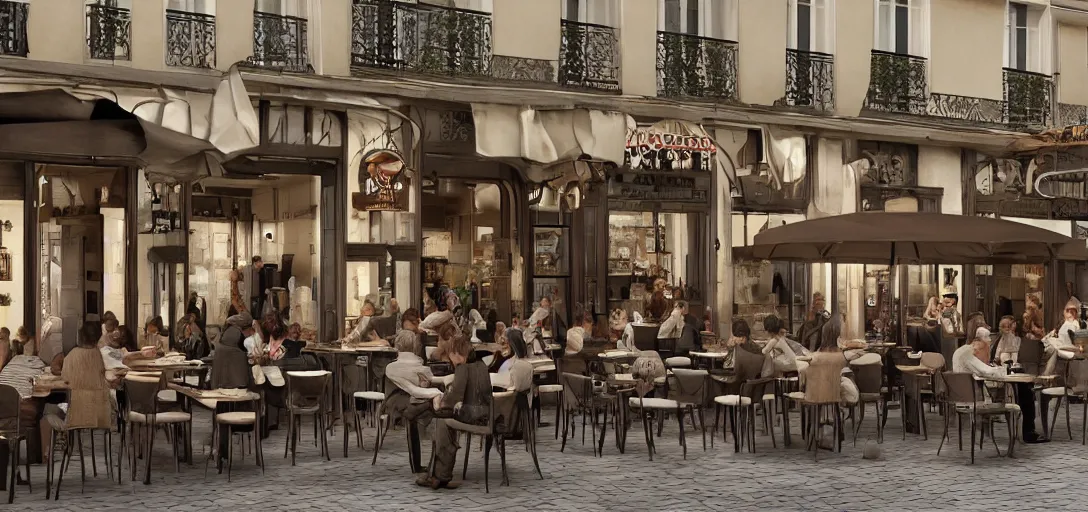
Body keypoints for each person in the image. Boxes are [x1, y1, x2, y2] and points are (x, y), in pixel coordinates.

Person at [417, 333, 491, 489]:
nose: (450, 359)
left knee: (441, 421)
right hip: (483, 412)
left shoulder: (463, 368)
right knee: (442, 421)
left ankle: (439, 475)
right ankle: (438, 474)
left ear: (457, 353)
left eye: (451, 355)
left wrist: (441, 404)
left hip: (472, 413)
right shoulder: (481, 365)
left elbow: (456, 395)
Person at [385, 328, 442, 474]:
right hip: (398, 402)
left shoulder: (397, 365)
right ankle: (424, 464)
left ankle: (418, 465)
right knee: (415, 411)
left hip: (410, 400)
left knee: (414, 413)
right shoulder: (396, 367)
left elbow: (420, 386)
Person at [802, 316, 859, 405]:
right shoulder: (841, 357)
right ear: (838, 337)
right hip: (834, 395)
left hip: (813, 395)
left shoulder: (814, 356)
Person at [1044, 298, 1082, 376]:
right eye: (1067, 311)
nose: (1070, 313)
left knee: (1055, 349)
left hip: (1071, 347)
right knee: (1052, 349)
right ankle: (1046, 375)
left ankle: (1046, 375)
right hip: (1061, 345)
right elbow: (1052, 333)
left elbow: (1078, 339)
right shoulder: (1062, 323)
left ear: (1075, 313)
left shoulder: (1076, 324)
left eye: (1072, 311)